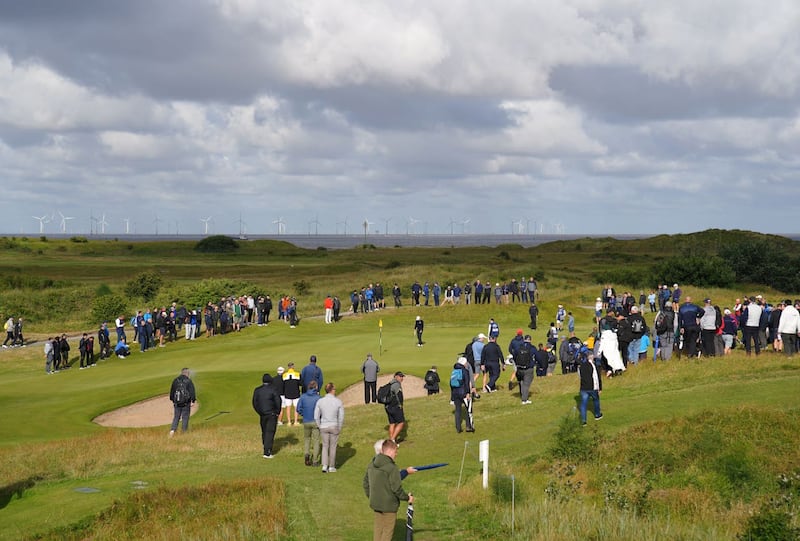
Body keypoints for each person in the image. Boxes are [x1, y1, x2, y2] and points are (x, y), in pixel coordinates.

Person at [363, 439, 413, 541]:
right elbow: (396, 489)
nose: (396, 454)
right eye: (395, 452)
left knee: (378, 530)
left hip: (376, 504)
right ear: (390, 451)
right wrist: (407, 498)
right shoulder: (392, 467)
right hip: (389, 506)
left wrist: (372, 496)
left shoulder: (371, 465)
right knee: (387, 532)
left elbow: (365, 483)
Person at [315, 382, 345, 473]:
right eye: (334, 389)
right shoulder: (338, 401)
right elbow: (341, 416)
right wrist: (339, 427)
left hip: (323, 426)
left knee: (325, 446)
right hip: (334, 425)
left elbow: (316, 416)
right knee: (333, 446)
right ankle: (331, 466)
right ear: (332, 390)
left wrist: (319, 425)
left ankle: (324, 465)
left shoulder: (320, 401)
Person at [252, 373, 282, 458]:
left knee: (264, 431)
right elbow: (278, 402)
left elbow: (255, 403)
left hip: (262, 414)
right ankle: (267, 452)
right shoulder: (273, 389)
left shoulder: (257, 390)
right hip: (271, 414)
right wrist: (277, 412)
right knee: (270, 432)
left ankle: (266, 447)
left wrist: (259, 412)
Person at [297, 380, 322, 467]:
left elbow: (298, 408)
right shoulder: (318, 398)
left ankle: (307, 456)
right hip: (315, 421)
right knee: (316, 441)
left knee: (307, 439)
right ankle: (315, 460)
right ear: (316, 387)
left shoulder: (303, 397)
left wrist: (304, 414)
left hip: (306, 421)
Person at [577, 349, 603, 425]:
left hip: (583, 387)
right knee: (596, 400)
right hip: (592, 387)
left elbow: (580, 376)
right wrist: (599, 387)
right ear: (591, 356)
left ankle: (583, 420)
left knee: (583, 404)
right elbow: (596, 377)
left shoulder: (581, 366)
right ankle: (597, 414)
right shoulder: (594, 366)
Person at [169, 368, 196, 436]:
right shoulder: (188, 381)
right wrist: (193, 400)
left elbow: (172, 391)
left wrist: (173, 400)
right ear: (187, 373)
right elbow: (192, 391)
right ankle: (184, 432)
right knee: (185, 417)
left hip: (177, 403)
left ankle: (172, 430)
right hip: (186, 403)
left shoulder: (176, 380)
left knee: (176, 417)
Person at [450, 357, 474, 432]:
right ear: (464, 363)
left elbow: (451, 384)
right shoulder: (465, 371)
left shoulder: (454, 370)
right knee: (468, 409)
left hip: (455, 393)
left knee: (457, 410)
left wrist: (452, 397)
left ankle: (458, 428)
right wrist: (468, 393)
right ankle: (469, 426)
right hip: (463, 393)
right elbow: (466, 383)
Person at [515, 335, 535, 404]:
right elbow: (536, 356)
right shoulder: (532, 348)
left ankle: (522, 394)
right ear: (530, 340)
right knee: (526, 384)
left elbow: (515, 355)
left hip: (519, 368)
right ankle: (524, 399)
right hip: (528, 368)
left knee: (521, 382)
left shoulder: (519, 347)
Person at [385, 372, 406, 442]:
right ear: (396, 377)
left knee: (392, 423)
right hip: (395, 407)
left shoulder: (390, 383)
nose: (402, 378)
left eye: (402, 377)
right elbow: (399, 397)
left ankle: (392, 442)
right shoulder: (397, 385)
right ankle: (392, 439)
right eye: (400, 376)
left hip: (388, 407)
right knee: (401, 422)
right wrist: (400, 405)